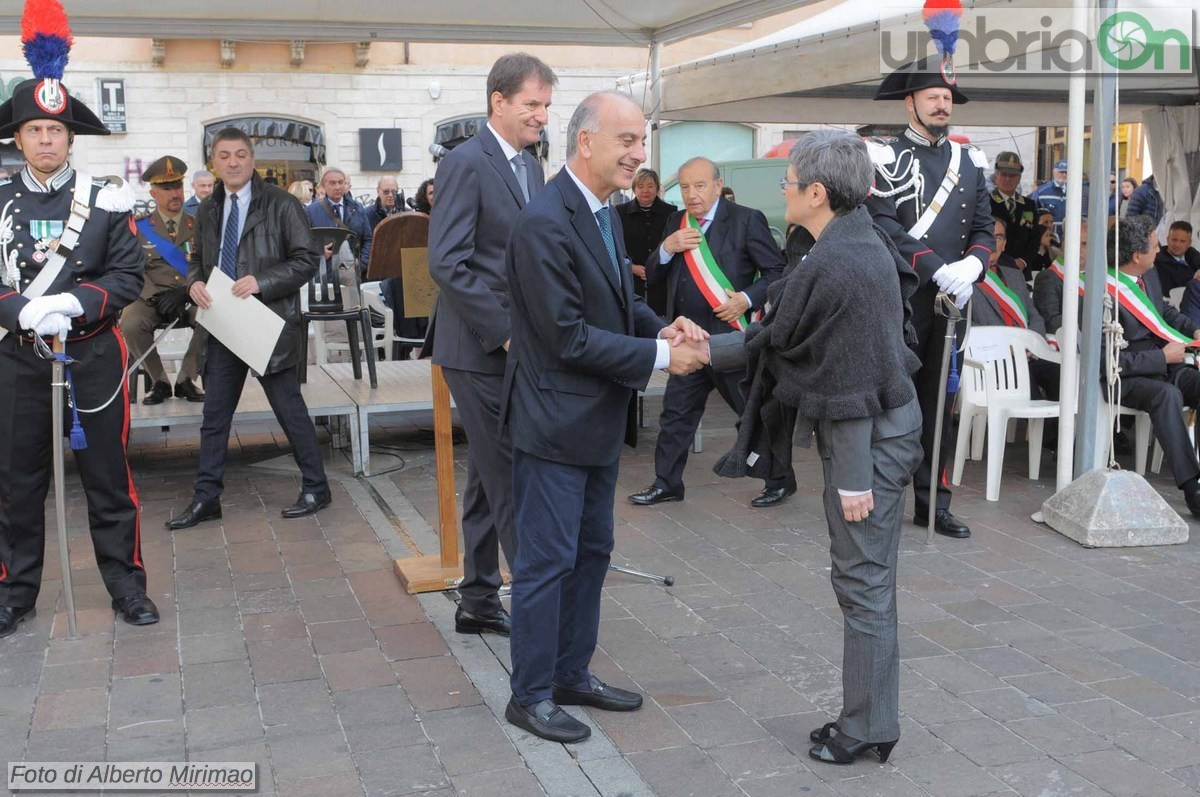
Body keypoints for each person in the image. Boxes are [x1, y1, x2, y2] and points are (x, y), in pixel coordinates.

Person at [501, 90, 710, 743]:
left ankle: (570, 673)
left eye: (641, 142)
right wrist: (657, 355)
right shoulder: (544, 220)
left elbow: (617, 304)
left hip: (593, 420)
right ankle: (530, 693)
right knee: (546, 561)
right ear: (584, 141)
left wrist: (663, 326)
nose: (638, 155)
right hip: (553, 424)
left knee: (592, 551)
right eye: (626, 141)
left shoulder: (604, 214)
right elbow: (566, 335)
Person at [715, 130, 922, 765]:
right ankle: (867, 714)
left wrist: (855, 480)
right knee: (865, 579)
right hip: (875, 426)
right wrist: (704, 350)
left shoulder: (844, 260)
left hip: (870, 438)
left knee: (862, 581)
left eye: (789, 181)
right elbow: (783, 322)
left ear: (817, 192)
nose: (782, 190)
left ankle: (866, 728)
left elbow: (856, 375)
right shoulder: (842, 238)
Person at [0, 11, 158, 636]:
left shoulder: (106, 198)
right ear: (18, 138)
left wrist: (75, 303)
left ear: (71, 138)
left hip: (93, 356)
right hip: (17, 358)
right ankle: (15, 592)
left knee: (109, 480)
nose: (45, 139)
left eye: (55, 130)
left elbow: (127, 278)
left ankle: (127, 587)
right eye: (34, 129)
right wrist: (18, 309)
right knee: (16, 481)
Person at [427, 53, 556, 638]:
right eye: (532, 104)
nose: (541, 116)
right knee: (509, 479)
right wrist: (505, 330)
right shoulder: (465, 162)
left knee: (485, 474)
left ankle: (478, 597)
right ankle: (540, 627)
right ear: (497, 102)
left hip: (512, 346)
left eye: (547, 106)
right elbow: (447, 262)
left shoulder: (530, 166)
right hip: (477, 348)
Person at [166, 127, 330, 529]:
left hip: (267, 323)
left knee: (288, 408)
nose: (234, 162)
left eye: (241, 154)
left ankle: (317, 487)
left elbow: (307, 259)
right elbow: (197, 262)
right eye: (225, 156)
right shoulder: (205, 210)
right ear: (214, 163)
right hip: (222, 324)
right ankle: (207, 498)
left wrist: (263, 281)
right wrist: (193, 284)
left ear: (252, 160)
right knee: (215, 416)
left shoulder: (281, 203)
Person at [865, 55, 994, 539]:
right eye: (932, 97)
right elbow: (883, 224)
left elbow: (984, 228)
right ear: (910, 103)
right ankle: (879, 498)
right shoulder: (881, 155)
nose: (942, 105)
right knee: (892, 400)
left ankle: (933, 503)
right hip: (902, 297)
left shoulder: (970, 159)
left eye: (947, 98)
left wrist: (974, 264)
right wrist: (938, 268)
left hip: (954, 301)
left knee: (943, 401)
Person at [629, 156, 793, 509]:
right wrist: (666, 249)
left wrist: (746, 300)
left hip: (730, 338)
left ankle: (779, 479)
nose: (692, 194)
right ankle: (667, 482)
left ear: (718, 185)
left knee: (750, 411)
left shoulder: (747, 219)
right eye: (685, 187)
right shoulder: (675, 221)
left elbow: (777, 272)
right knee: (675, 414)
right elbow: (654, 275)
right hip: (689, 338)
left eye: (700, 186)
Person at [1104, 215, 1200, 516]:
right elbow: (1108, 361)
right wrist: (1162, 357)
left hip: (1167, 365)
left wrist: (1194, 329)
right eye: (1155, 246)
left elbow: (1165, 313)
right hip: (1129, 378)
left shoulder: (1150, 275)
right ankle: (1192, 487)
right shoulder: (1103, 295)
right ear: (1136, 255)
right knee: (1166, 396)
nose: (1159, 251)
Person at [122, 155, 208, 405]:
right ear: (153, 193)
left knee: (214, 320)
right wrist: (153, 296)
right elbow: (131, 267)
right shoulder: (138, 227)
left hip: (191, 295)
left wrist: (187, 292)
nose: (174, 193)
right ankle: (158, 380)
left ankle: (186, 379)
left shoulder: (200, 225)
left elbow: (209, 265)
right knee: (130, 321)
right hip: (152, 298)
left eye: (177, 186)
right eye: (166, 188)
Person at [974, 218, 1060, 407]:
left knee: (1062, 376)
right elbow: (968, 327)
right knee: (1026, 382)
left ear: (1004, 244)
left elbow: (1034, 315)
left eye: (997, 237)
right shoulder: (965, 278)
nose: (992, 243)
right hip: (994, 360)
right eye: (986, 237)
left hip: (1028, 354)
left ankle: (1059, 436)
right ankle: (1045, 434)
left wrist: (1031, 344)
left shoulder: (1014, 275)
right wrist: (1008, 347)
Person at [616, 168, 676, 316]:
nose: (645, 191)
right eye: (640, 186)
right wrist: (631, 267)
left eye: (650, 186)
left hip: (662, 281)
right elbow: (615, 246)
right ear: (634, 188)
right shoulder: (620, 212)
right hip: (632, 280)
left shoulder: (671, 213)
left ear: (657, 188)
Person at [306, 166, 374, 271]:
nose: (337, 187)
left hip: (353, 273)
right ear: (324, 185)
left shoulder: (358, 208)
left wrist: (362, 264)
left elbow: (368, 239)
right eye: (332, 183)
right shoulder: (311, 211)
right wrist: (318, 251)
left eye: (340, 182)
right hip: (324, 275)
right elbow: (301, 241)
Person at [1032, 218, 1087, 335]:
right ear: (1064, 245)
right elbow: (1050, 322)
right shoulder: (1048, 278)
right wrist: (1096, 319)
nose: (1079, 249)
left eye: (1084, 244)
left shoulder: (1101, 277)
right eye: (1074, 242)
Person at [988, 151, 1039, 273]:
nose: (1007, 179)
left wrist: (1024, 261)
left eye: (1012, 175)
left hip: (1022, 270)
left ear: (1019, 178)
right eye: (1003, 174)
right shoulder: (985, 203)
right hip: (994, 268)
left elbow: (1034, 237)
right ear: (995, 176)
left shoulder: (1028, 205)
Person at [1165, 222, 1200, 306]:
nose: (1177, 244)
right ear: (1167, 239)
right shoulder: (1157, 261)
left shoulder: (1192, 255)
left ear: (1189, 243)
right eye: (1174, 240)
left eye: (1182, 241)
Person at [1032, 160, 1071, 234]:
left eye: (1066, 172)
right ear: (1054, 172)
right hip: (1048, 234)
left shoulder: (1074, 192)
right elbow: (1031, 210)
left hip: (1069, 236)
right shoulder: (1042, 191)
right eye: (1061, 172)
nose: (1064, 175)